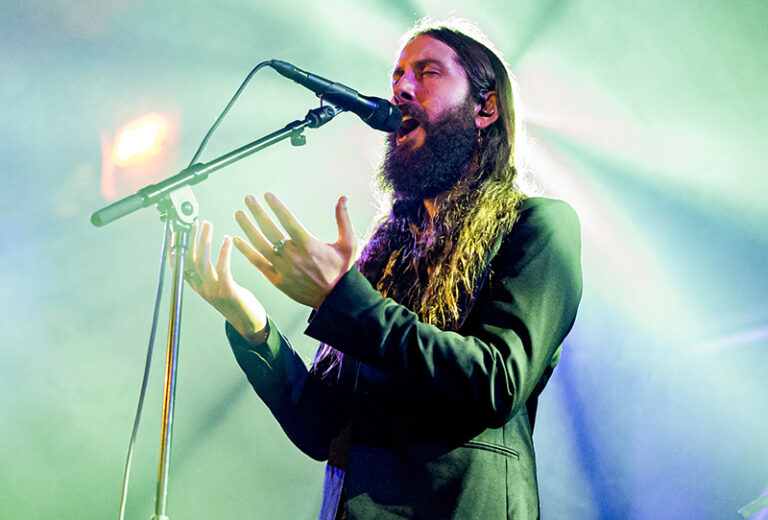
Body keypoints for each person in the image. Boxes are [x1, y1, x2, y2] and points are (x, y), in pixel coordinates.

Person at [181, 19, 582, 520]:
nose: (402, 88)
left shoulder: (538, 226)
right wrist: (253, 328)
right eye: (396, 77)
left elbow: (495, 382)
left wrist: (341, 299)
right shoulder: (387, 254)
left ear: (485, 107)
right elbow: (320, 429)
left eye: (427, 72)